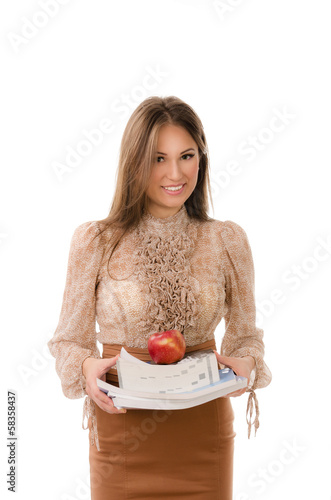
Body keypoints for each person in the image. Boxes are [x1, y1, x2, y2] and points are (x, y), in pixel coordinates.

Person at [47, 95, 272, 500]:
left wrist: (247, 363)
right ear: (134, 162)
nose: (174, 172)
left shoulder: (226, 239)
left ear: (201, 159)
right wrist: (84, 367)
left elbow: (245, 336)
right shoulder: (95, 241)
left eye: (186, 156)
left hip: (203, 434)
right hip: (122, 432)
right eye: (157, 158)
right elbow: (68, 339)